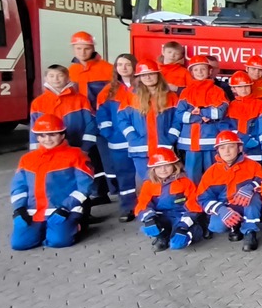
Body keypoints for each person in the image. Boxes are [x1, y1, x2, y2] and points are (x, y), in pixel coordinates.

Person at [10, 115, 94, 250]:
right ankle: (46, 230)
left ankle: (79, 225)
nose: (47, 139)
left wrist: (66, 208)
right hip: (34, 212)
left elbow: (85, 186)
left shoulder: (76, 155)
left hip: (64, 210)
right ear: (37, 137)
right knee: (19, 244)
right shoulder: (27, 159)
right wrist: (19, 209)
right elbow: (18, 187)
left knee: (58, 242)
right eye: (42, 135)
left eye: (52, 134)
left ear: (62, 135)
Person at [197, 131, 262, 251]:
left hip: (247, 205)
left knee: (253, 198)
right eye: (222, 148)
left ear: (239, 148)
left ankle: (250, 232)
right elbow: (203, 198)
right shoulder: (211, 173)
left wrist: (251, 187)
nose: (227, 151)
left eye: (231, 147)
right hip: (227, 208)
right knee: (216, 227)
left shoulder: (253, 165)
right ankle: (235, 225)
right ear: (218, 151)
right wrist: (221, 210)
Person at [68, 31, 114, 202]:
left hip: (101, 120)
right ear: (73, 49)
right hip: (80, 122)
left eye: (86, 48)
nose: (82, 52)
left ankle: (108, 189)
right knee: (87, 156)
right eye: (78, 48)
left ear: (93, 48)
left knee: (104, 157)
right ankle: (97, 192)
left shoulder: (107, 69)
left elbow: (114, 96)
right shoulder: (70, 71)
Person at [118, 60, 180, 185]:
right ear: (139, 77)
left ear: (158, 75)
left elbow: (178, 119)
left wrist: (170, 138)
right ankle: (146, 205)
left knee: (166, 182)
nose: (148, 77)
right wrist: (132, 137)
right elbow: (122, 119)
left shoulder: (170, 96)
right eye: (144, 75)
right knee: (146, 183)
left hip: (164, 147)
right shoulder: (131, 96)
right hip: (140, 148)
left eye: (151, 74)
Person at [95, 54, 139, 221]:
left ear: (135, 66)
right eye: (120, 64)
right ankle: (127, 207)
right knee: (124, 175)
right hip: (119, 141)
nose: (124, 68)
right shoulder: (108, 91)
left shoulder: (143, 87)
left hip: (141, 140)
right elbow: (102, 114)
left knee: (150, 174)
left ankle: (150, 206)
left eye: (127, 64)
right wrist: (109, 134)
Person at [134, 147, 204, 252]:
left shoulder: (184, 182)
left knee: (178, 243)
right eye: (159, 166)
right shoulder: (149, 184)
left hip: (181, 217)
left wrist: (183, 226)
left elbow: (194, 204)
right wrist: (149, 218)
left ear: (174, 166)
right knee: (150, 226)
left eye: (167, 165)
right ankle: (163, 236)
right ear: (153, 169)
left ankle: (189, 233)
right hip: (161, 216)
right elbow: (143, 203)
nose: (163, 170)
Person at [176, 56, 231, 183]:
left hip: (209, 140)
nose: (200, 72)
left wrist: (199, 111)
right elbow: (179, 115)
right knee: (191, 176)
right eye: (196, 70)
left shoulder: (218, 91)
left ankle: (210, 199)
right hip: (191, 142)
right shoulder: (186, 92)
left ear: (209, 71)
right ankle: (192, 199)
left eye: (203, 69)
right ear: (191, 72)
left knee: (212, 173)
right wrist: (202, 117)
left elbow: (220, 113)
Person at [29, 64, 97, 155]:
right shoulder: (38, 102)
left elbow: (91, 125)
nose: (56, 79)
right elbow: (34, 128)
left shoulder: (81, 100)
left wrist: (85, 148)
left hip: (77, 148)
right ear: (46, 78)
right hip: (47, 151)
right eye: (51, 76)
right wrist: (35, 151)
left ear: (68, 78)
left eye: (60, 75)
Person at [226, 71, 262, 162]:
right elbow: (224, 126)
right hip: (236, 148)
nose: (244, 90)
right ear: (233, 89)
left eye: (246, 86)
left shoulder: (260, 104)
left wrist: (255, 141)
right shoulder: (230, 105)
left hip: (256, 149)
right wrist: (244, 138)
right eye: (240, 87)